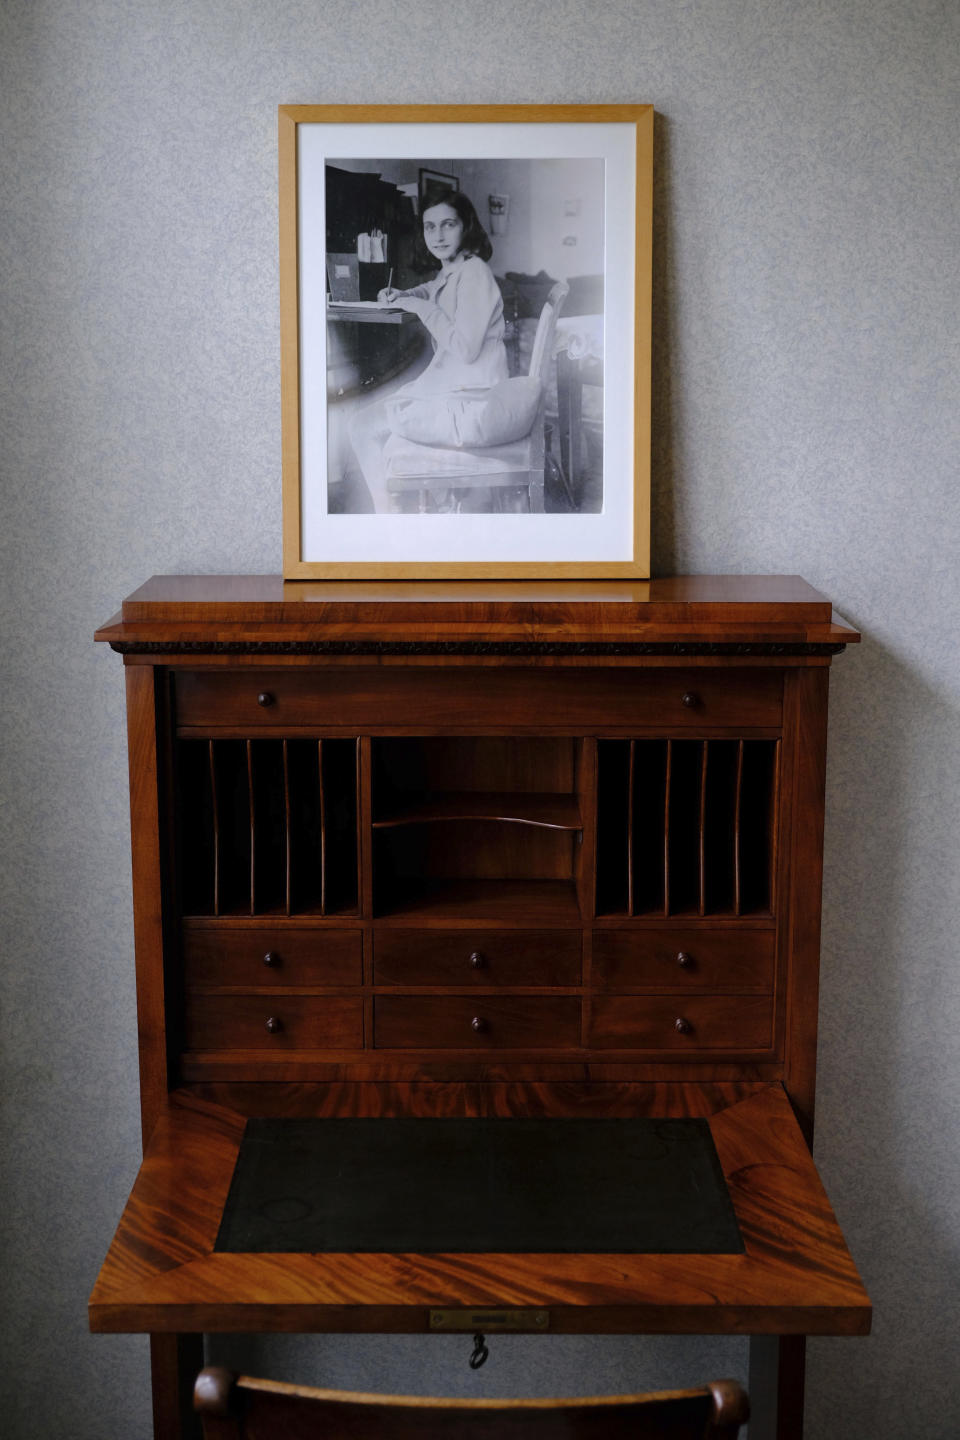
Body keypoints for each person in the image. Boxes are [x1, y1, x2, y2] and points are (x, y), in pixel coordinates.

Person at [348, 190, 508, 512]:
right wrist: (406, 293)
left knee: (362, 425)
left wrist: (418, 305)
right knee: (369, 421)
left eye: (448, 225)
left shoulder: (475, 273)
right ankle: (424, 507)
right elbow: (436, 290)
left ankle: (390, 517)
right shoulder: (455, 269)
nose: (437, 235)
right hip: (459, 391)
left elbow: (465, 348)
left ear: (466, 227)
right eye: (429, 226)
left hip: (472, 402)